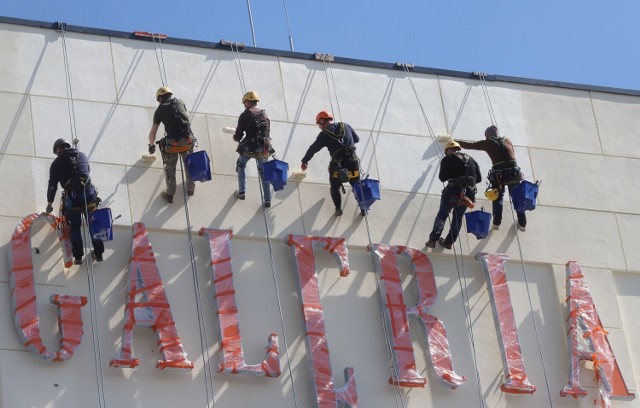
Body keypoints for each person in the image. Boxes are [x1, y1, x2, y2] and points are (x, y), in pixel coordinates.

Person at [457, 125, 527, 231]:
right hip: (514, 173)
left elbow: (470, 145)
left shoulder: (488, 142)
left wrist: (453, 141)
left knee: (498, 197)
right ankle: (523, 224)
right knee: (517, 198)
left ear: (488, 135)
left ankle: (496, 223)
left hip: (499, 175)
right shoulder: (507, 140)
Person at [46, 138, 104, 265]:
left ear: (58, 150)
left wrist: (49, 203)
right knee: (93, 224)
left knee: (75, 227)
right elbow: (87, 171)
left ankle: (78, 256)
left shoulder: (56, 164)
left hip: (73, 199)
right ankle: (99, 253)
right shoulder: (82, 155)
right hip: (89, 196)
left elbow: (52, 186)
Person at [301, 111, 365, 216]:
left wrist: (305, 161)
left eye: (319, 124)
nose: (320, 127)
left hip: (338, 164)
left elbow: (313, 148)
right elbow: (356, 139)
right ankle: (363, 208)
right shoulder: (346, 126)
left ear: (322, 121)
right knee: (356, 184)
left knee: (334, 186)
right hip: (352, 161)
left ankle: (338, 208)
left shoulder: (324, 134)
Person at [426, 141, 482, 249]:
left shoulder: (448, 158)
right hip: (467, 195)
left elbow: (442, 177)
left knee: (442, 215)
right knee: (458, 218)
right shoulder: (472, 160)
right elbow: (478, 179)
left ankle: (433, 240)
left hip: (452, 192)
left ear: (448, 150)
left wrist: (455, 175)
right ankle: (449, 242)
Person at [148, 86, 195, 204]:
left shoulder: (159, 111)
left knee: (170, 169)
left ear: (160, 98)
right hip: (187, 141)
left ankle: (170, 193)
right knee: (189, 166)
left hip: (172, 145)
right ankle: (191, 189)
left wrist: (151, 145)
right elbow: (185, 118)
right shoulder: (181, 102)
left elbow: (153, 132)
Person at [232, 91, 272, 208]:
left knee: (241, 164)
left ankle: (242, 192)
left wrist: (235, 138)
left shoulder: (245, 115)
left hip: (249, 148)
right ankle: (268, 199)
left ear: (248, 102)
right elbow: (267, 131)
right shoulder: (264, 114)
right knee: (263, 172)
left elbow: (239, 134)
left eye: (245, 102)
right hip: (263, 148)